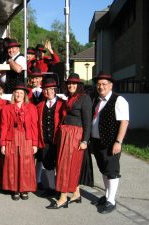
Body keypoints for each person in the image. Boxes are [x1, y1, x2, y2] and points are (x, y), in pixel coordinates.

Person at [47, 73, 92, 209]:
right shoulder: (69, 98)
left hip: (75, 135)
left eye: (74, 83)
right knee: (70, 165)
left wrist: (85, 140)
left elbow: (87, 122)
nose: (71, 85)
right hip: (66, 134)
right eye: (69, 83)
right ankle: (76, 193)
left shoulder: (84, 98)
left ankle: (62, 198)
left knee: (65, 165)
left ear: (79, 85)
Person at [90, 73, 129, 214]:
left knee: (112, 171)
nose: (101, 87)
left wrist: (118, 142)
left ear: (111, 85)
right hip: (97, 142)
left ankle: (111, 201)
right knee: (104, 170)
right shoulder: (96, 99)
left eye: (104, 84)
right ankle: (106, 196)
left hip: (111, 142)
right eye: (99, 84)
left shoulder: (119, 100)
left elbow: (124, 122)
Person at [0, 83, 38, 201]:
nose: (18, 95)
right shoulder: (7, 109)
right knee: (13, 164)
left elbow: (34, 126)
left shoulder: (31, 107)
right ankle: (15, 189)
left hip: (26, 138)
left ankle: (25, 189)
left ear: (25, 95)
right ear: (13, 94)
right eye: (16, 92)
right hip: (12, 137)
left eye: (21, 93)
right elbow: (4, 126)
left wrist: (35, 143)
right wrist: (3, 144)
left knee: (26, 164)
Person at [36, 78, 64, 195]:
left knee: (60, 164)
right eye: (45, 90)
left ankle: (61, 188)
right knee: (48, 164)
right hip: (45, 140)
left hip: (58, 139)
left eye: (50, 89)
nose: (47, 92)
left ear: (55, 90)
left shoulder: (62, 103)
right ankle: (51, 188)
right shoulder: (40, 105)